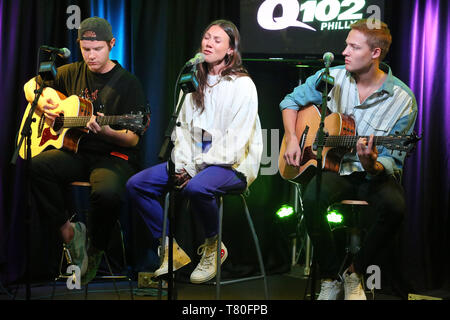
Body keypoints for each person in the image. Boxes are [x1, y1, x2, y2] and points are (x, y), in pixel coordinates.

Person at [280, 19, 417, 300]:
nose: (345, 51)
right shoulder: (331, 76)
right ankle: (331, 276)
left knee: (396, 207)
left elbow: (392, 161)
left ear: (375, 53)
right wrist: (293, 137)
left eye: (354, 47)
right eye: (346, 44)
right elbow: (290, 102)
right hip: (335, 169)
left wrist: (372, 163)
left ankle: (355, 272)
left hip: (372, 175)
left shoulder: (403, 100)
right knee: (313, 196)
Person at [126, 19, 262, 284]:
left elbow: (236, 141)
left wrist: (196, 167)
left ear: (231, 50)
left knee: (197, 188)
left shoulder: (243, 85)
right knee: (137, 185)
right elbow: (183, 131)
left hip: (232, 165)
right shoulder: (192, 81)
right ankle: (170, 250)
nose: (209, 43)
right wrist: (185, 165)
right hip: (194, 164)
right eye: (207, 37)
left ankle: (214, 245)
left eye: (217, 40)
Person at [23, 17, 147, 284]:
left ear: (111, 44)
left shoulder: (128, 83)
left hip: (112, 155)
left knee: (106, 193)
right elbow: (29, 87)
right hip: (75, 151)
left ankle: (95, 247)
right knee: (36, 166)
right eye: (85, 49)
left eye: (97, 49)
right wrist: (45, 105)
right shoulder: (70, 72)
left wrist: (106, 131)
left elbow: (133, 138)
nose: (91, 55)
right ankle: (69, 233)